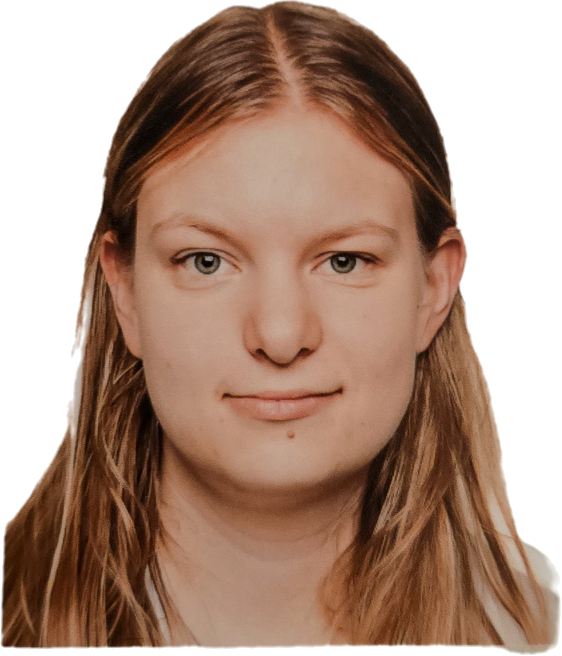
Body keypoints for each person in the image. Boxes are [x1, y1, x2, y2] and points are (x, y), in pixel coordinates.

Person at [2, 1, 558, 650]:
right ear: (123, 291)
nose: (281, 335)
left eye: (344, 260)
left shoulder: (538, 635)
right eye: (206, 261)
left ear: (434, 288)